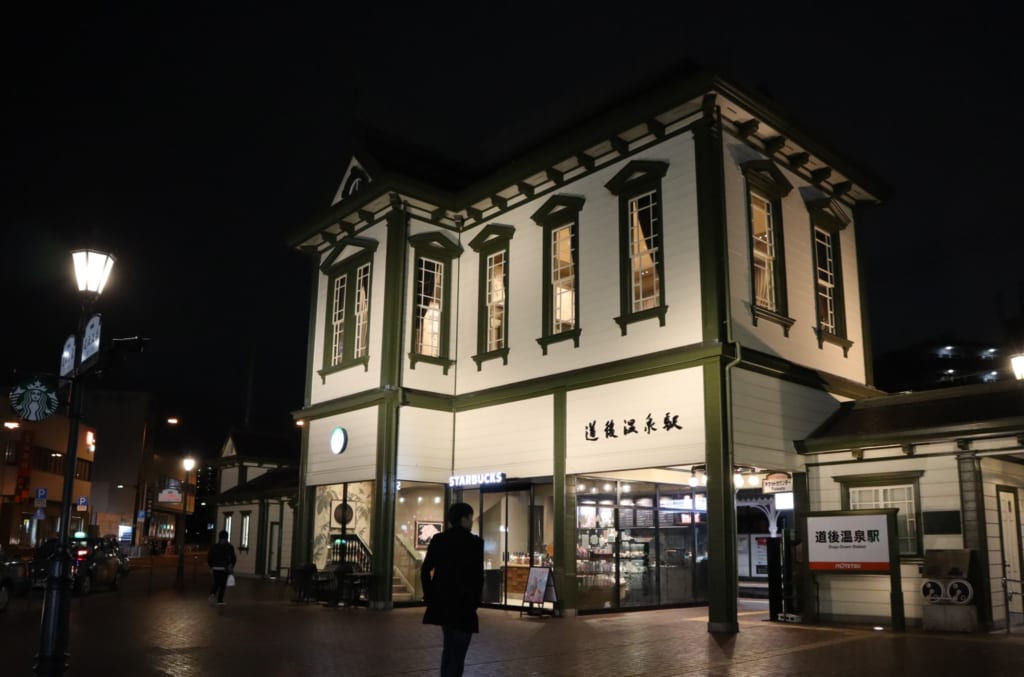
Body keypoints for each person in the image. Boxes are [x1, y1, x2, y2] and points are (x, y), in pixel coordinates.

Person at [421, 502, 484, 677]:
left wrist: (430, 595)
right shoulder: (475, 543)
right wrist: (475, 602)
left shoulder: (439, 540)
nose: (472, 522)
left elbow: (425, 569)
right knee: (458, 654)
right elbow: (478, 576)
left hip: (443, 603)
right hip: (464, 605)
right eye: (471, 518)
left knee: (448, 649)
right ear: (464, 519)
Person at [207, 530, 236, 606]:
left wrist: (211, 566)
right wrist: (231, 565)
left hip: (215, 568)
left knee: (216, 582)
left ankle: (212, 593)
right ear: (226, 538)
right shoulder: (229, 547)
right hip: (224, 568)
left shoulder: (214, 547)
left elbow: (209, 557)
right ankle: (220, 600)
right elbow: (233, 558)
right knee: (223, 584)